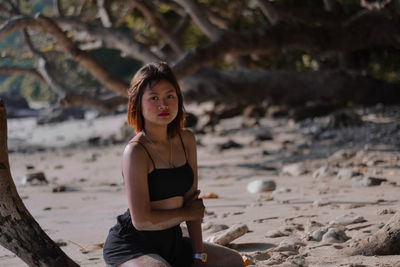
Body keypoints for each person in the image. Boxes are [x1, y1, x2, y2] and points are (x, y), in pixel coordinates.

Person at [103, 62, 244, 267]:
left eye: (170, 96)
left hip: (173, 240)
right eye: (154, 98)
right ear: (137, 103)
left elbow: (192, 201)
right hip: (133, 244)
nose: (164, 105)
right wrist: (187, 213)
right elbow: (141, 220)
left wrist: (198, 256)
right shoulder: (136, 151)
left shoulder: (186, 140)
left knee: (232, 261)